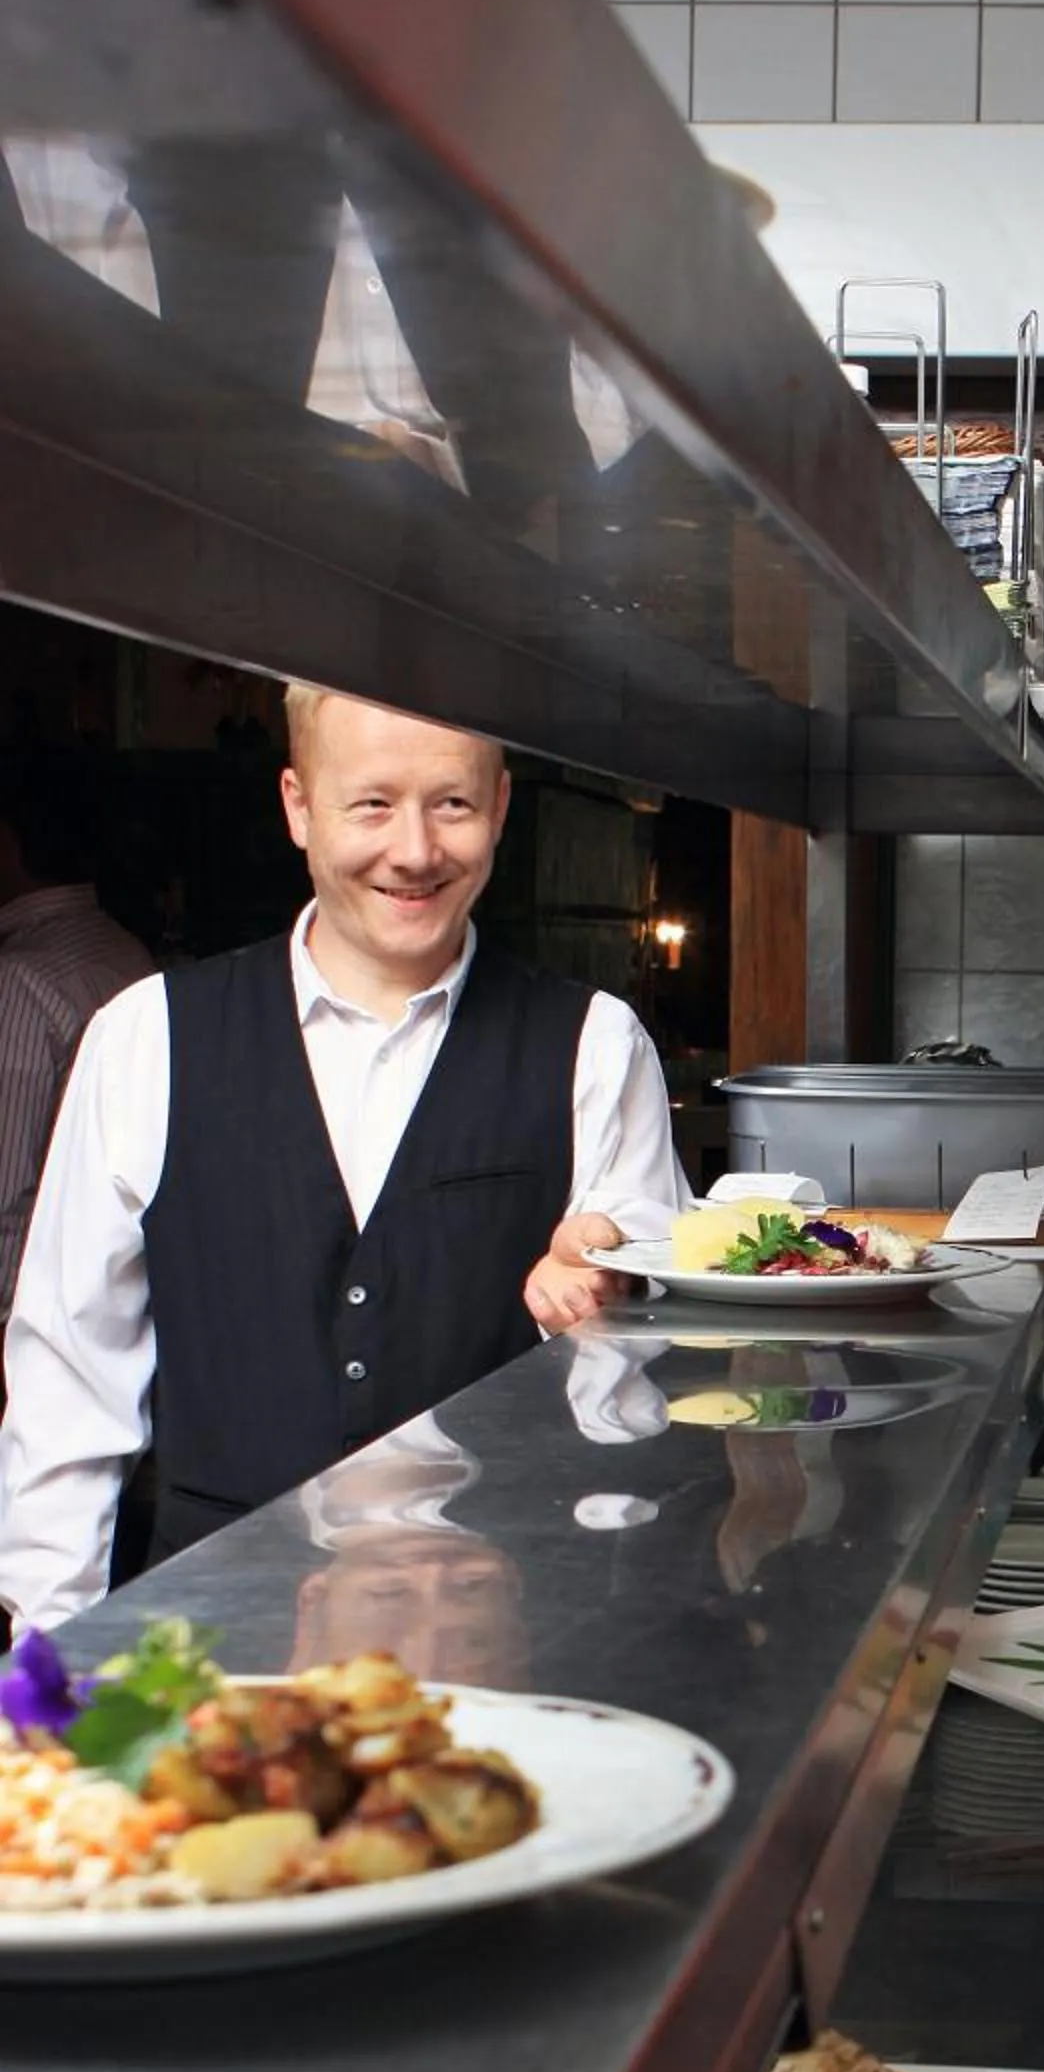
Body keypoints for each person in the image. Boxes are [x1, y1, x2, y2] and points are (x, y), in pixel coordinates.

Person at [0, 684, 675, 1630]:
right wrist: (44, 1657)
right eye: (372, 804)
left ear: (500, 807)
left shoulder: (596, 1046)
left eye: (452, 803)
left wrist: (614, 1304)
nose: (415, 850)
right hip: (210, 1642)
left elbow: (642, 1390)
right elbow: (69, 1389)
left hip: (489, 1639)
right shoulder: (145, 1038)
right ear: (298, 806)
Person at [0, 748, 153, 1348]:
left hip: (33, 1314)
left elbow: (6, 1186)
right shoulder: (122, 947)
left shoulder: (19, 976)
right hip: (115, 1285)